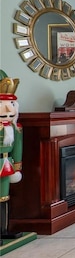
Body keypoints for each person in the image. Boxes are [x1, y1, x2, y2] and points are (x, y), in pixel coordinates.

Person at [0, 70, 22, 241]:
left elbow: (17, 147)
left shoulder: (15, 128)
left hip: (6, 165)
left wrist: (17, 166)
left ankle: (4, 229)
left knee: (4, 196)